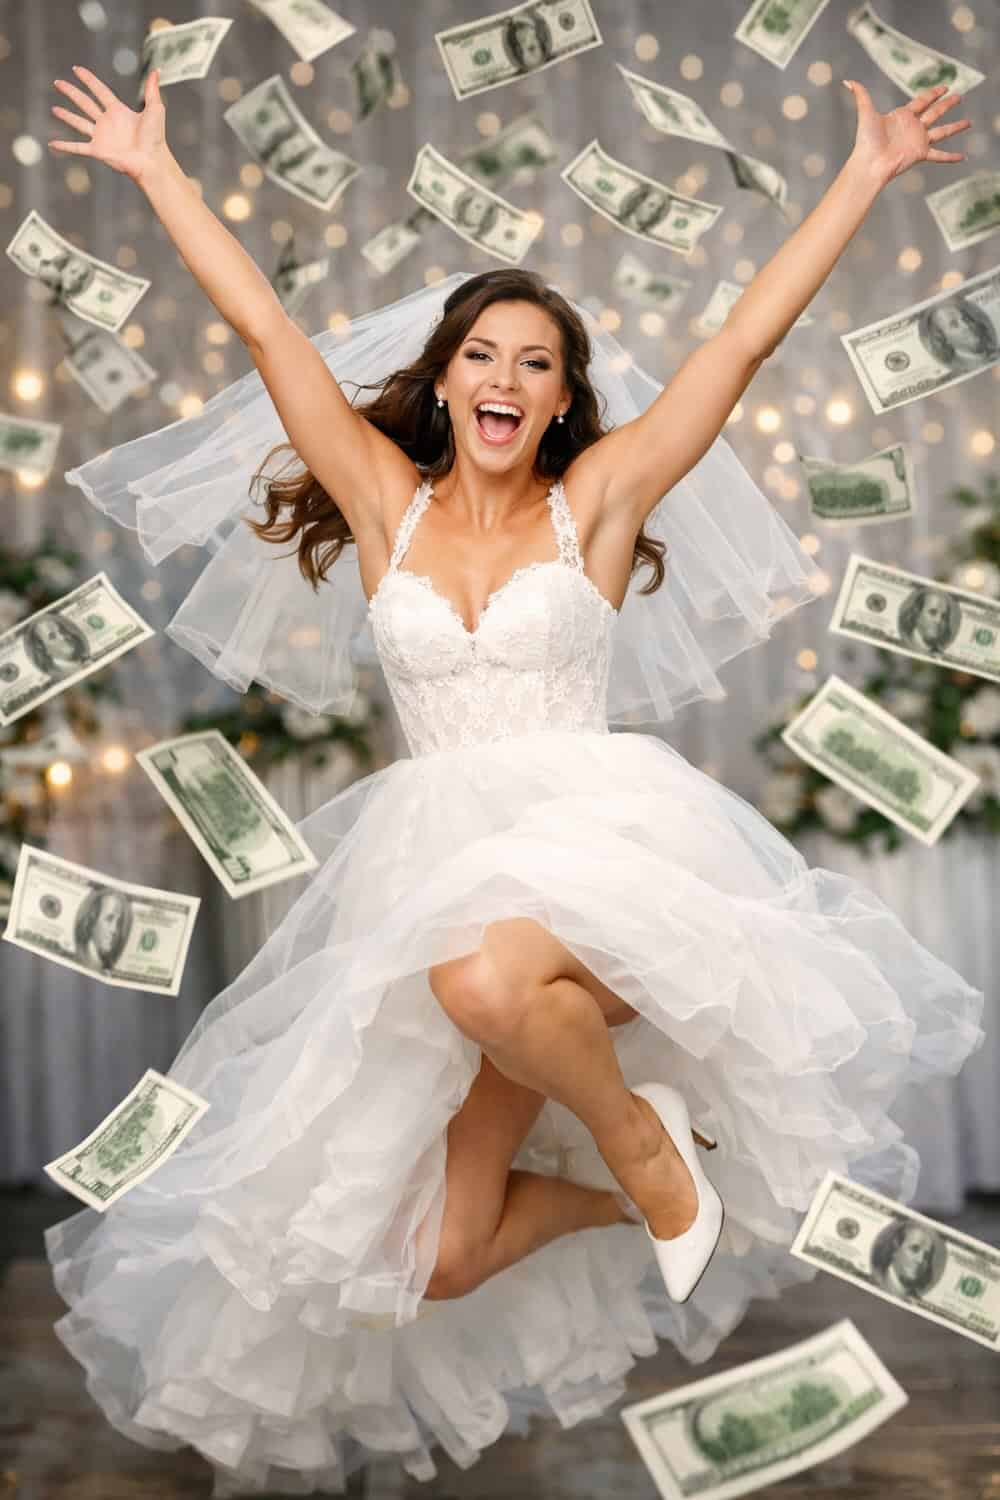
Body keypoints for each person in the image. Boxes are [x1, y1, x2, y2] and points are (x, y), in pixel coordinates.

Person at [44, 64, 982, 1496]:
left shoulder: (596, 504)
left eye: (537, 363)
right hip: (431, 868)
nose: (505, 379)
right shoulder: (380, 500)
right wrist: (159, 169)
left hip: (605, 855)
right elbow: (263, 327)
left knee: (486, 985)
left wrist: (861, 175)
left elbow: (736, 348)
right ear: (449, 375)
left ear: (562, 402)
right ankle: (644, 1177)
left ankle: (644, 1147)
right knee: (437, 1254)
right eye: (484, 353)